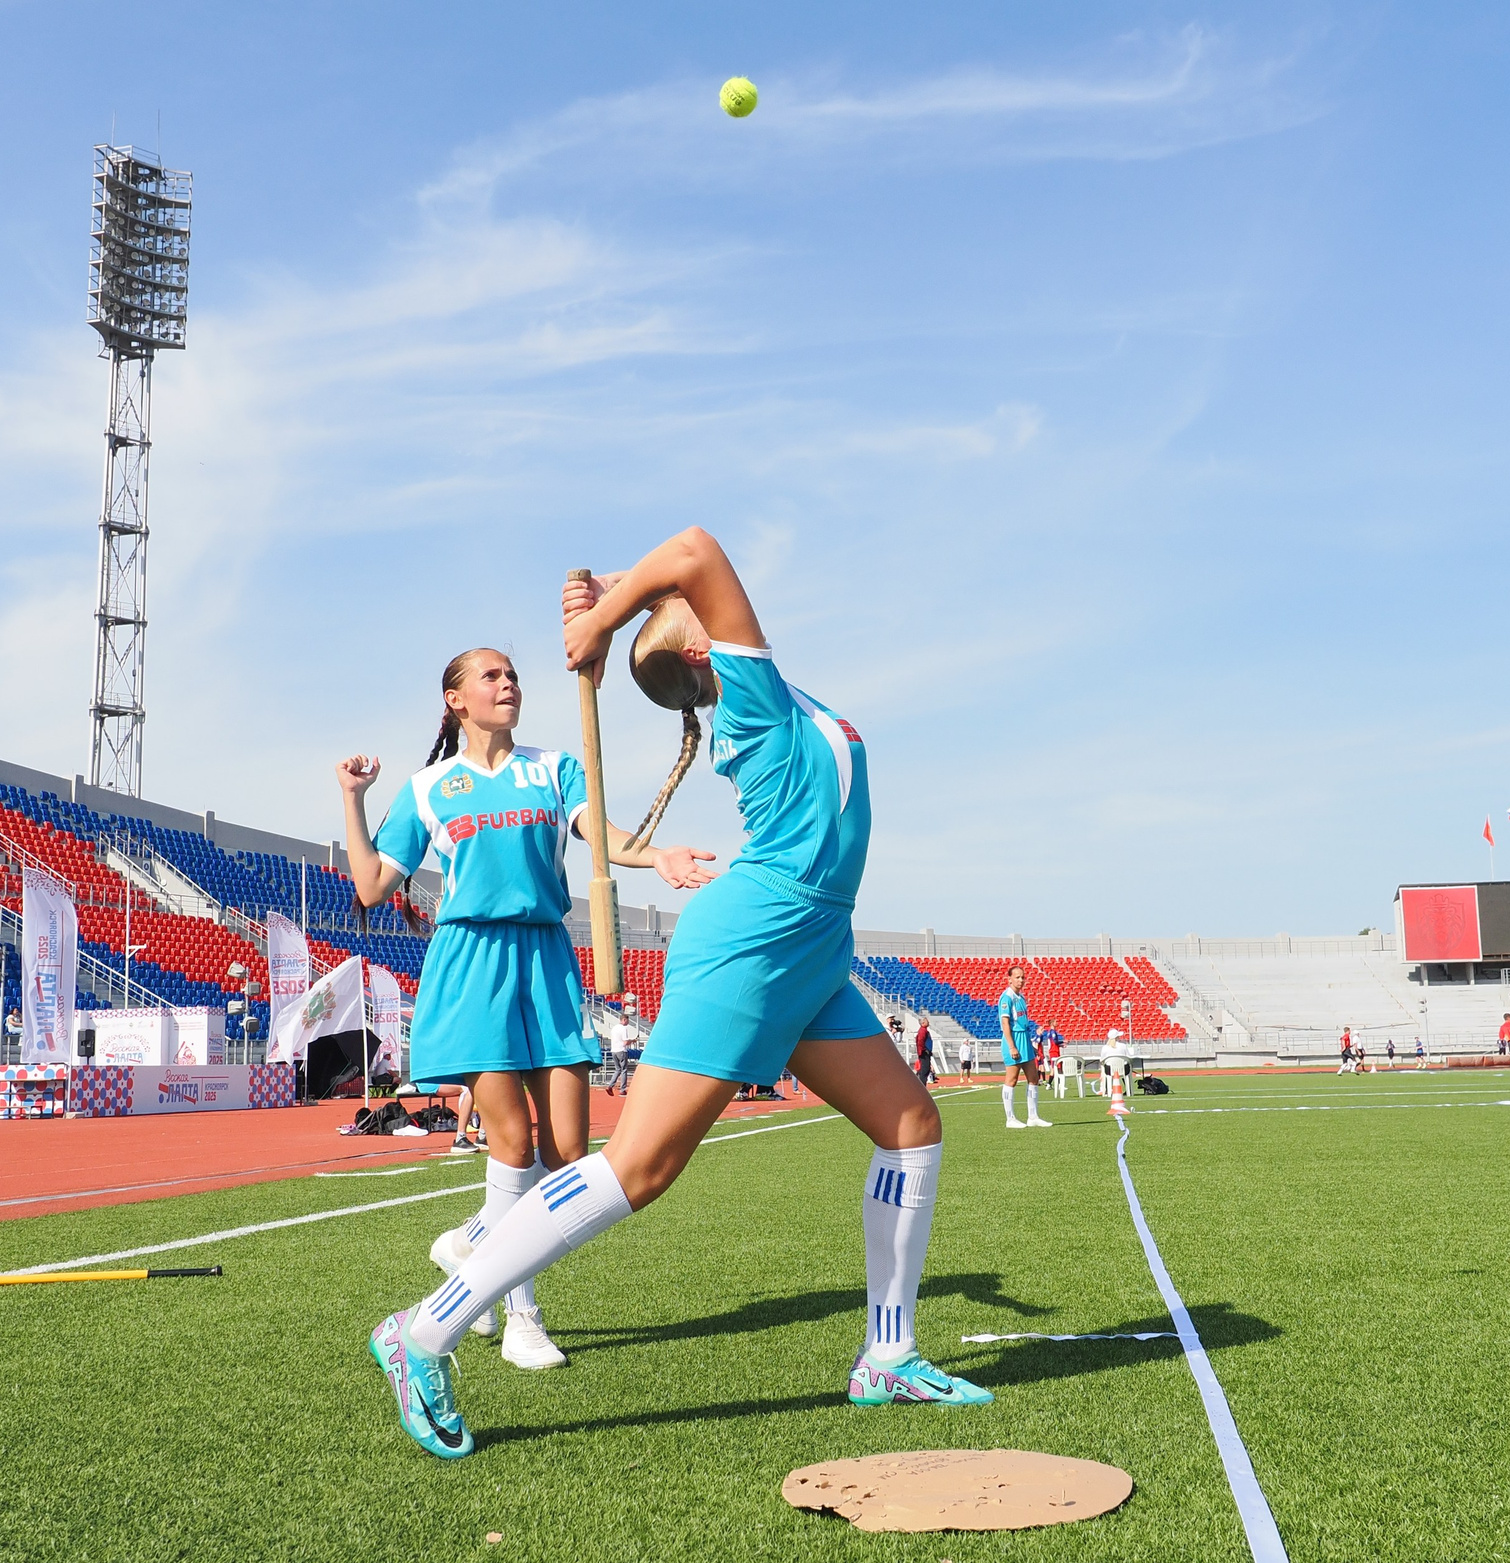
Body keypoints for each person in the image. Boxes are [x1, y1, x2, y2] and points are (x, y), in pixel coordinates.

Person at [368, 526, 986, 1462]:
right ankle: (422, 1332)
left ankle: (888, 1354)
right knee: (638, 1168)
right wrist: (607, 626)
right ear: (708, 648)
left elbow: (675, 584)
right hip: (756, 931)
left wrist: (610, 604)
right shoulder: (753, 691)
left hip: (813, 938)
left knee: (910, 1124)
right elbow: (694, 550)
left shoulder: (753, 682)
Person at [340, 646, 715, 1375]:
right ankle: (522, 1316)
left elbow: (598, 834)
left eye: (512, 674)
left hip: (546, 959)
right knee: (510, 1139)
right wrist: (352, 799)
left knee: (570, 1153)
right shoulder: (428, 788)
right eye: (491, 675)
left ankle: (473, 1240)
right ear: (455, 699)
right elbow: (371, 882)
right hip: (471, 965)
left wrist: (657, 855)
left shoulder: (553, 767)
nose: (507, 683)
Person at [996, 963, 1046, 1128]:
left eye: (1023, 977)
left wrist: (1029, 1044)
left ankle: (1033, 1116)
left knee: (1034, 1078)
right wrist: (1012, 1046)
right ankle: (1010, 1118)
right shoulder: (1006, 998)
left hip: (1024, 1038)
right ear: (1009, 979)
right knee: (1012, 1079)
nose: (1021, 980)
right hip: (1014, 1039)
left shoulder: (1021, 997)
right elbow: (1005, 1023)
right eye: (1017, 977)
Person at [912, 1016, 934, 1087]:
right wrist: (924, 1050)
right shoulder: (922, 1031)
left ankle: (922, 1085)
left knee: (926, 1069)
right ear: (923, 1023)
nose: (929, 1022)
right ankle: (922, 1086)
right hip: (924, 1053)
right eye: (927, 1021)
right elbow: (920, 1041)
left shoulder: (924, 1030)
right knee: (925, 1070)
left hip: (925, 1053)